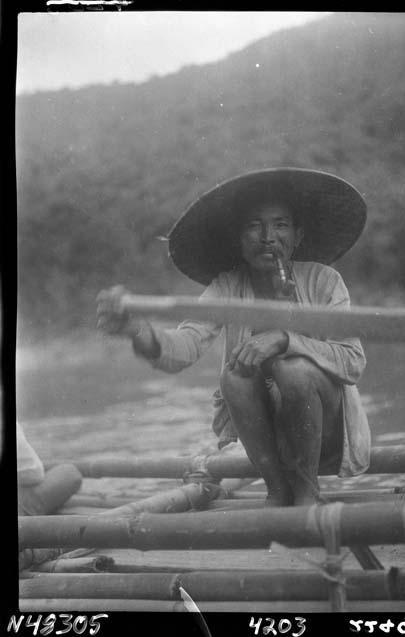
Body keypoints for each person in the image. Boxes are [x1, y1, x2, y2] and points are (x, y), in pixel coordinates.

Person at [97, 168, 371, 506]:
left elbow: (353, 361)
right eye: (254, 226)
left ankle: (306, 493)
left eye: (280, 225)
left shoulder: (324, 281)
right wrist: (138, 330)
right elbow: (184, 346)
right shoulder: (228, 288)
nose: (268, 237)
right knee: (235, 374)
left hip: (325, 434)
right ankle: (277, 490)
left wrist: (285, 339)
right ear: (239, 239)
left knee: (294, 369)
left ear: (298, 236)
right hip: (267, 442)